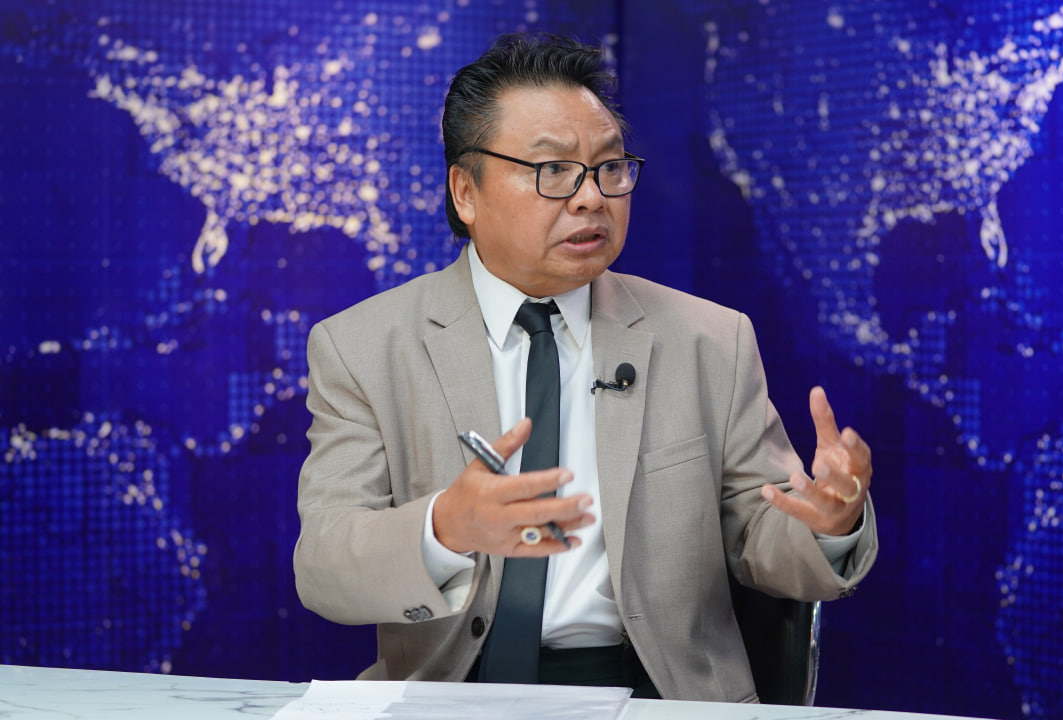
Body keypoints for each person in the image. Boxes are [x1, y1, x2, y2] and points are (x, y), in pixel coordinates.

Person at [294, 33, 878, 703]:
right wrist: (444, 528)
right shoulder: (362, 347)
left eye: (609, 168)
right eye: (553, 170)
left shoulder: (710, 340)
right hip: (451, 695)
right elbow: (325, 566)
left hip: (656, 693)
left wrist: (829, 524)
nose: (591, 197)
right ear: (466, 191)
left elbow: (762, 536)